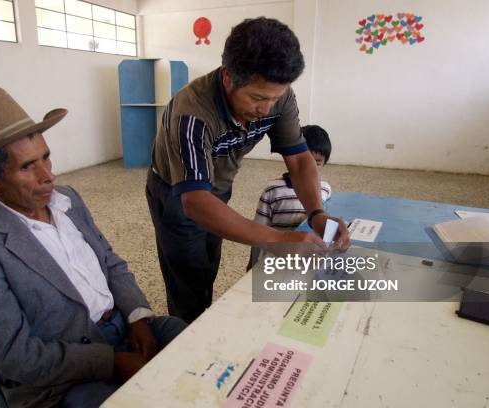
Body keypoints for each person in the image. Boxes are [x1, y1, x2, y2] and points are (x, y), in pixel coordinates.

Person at [0, 87, 186, 408]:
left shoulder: (67, 200)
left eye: (46, 157)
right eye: (27, 167)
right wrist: (110, 361)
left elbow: (110, 263)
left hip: (123, 329)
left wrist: (137, 316)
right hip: (61, 378)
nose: (48, 175)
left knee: (188, 342)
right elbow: (16, 355)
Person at [146, 17, 349, 324]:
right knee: (188, 280)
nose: (266, 109)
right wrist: (278, 240)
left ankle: (204, 319)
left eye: (275, 98)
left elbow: (299, 158)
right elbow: (195, 203)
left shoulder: (276, 95)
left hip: (217, 186)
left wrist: (316, 214)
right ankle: (188, 337)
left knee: (209, 262)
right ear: (228, 77)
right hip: (177, 194)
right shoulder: (192, 113)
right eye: (257, 98)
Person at [247, 125, 333, 270]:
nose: (310, 168)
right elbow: (258, 231)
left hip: (308, 261)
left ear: (325, 163)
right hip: (277, 260)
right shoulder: (273, 190)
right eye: (306, 161)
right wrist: (253, 263)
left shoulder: (325, 189)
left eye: (317, 163)